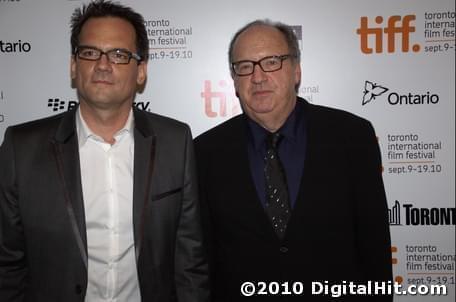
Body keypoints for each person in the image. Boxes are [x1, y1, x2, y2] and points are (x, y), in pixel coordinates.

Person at [0, 1, 209, 301]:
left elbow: (190, 261)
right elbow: (7, 266)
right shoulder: (21, 149)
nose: (102, 64)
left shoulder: (175, 142)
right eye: (89, 52)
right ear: (74, 66)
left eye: (119, 54)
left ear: (141, 71)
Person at [194, 19, 392, 301]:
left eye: (272, 62)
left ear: (296, 71)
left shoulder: (352, 137)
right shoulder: (204, 151)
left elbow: (375, 246)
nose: (258, 77)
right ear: (235, 80)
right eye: (245, 66)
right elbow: (203, 259)